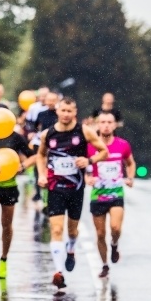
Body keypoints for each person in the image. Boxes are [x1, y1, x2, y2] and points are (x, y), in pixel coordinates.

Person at [37, 97, 107, 290]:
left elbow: (104, 151)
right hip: (55, 188)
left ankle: (71, 248)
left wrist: (89, 161)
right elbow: (41, 155)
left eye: (70, 111)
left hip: (76, 189)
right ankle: (59, 272)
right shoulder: (48, 134)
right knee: (56, 230)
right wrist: (42, 175)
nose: (66, 114)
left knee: (71, 230)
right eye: (63, 110)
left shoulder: (84, 131)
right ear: (57, 111)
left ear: (75, 112)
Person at [0, 104, 36, 279]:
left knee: (6, 225)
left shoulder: (16, 137)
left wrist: (22, 166)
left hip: (9, 185)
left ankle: (3, 259)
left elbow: (34, 155)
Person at [86, 112, 135, 277]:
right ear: (97, 125)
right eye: (103, 122)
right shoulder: (90, 146)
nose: (106, 125)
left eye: (109, 122)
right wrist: (87, 178)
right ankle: (105, 264)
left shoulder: (122, 145)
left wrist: (130, 177)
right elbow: (83, 166)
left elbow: (130, 162)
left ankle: (114, 244)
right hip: (98, 195)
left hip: (116, 194)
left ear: (115, 125)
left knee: (115, 227)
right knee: (100, 234)